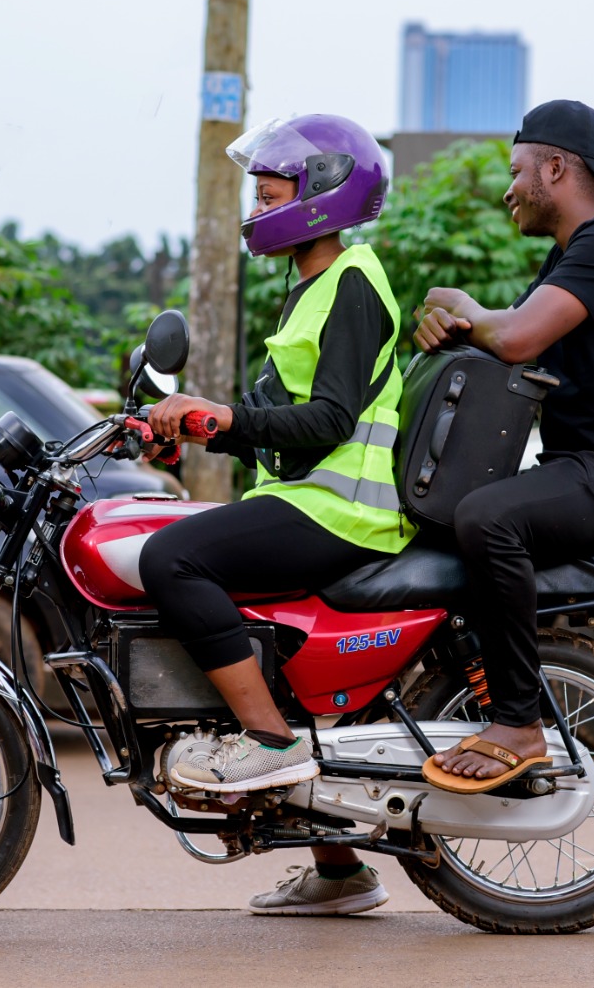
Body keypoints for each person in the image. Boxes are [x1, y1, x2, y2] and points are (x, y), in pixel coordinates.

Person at [139, 113, 408, 915]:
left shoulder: (353, 281)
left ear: (323, 194)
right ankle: (340, 869)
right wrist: (189, 431)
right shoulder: (312, 288)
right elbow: (271, 426)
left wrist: (220, 418)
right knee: (258, 648)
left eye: (270, 192)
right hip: (308, 498)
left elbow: (329, 420)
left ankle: (270, 741)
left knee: (169, 561)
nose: (257, 209)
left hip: (345, 513)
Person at [413, 99, 594, 794]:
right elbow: (507, 338)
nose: (509, 190)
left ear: (557, 168)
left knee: (488, 517)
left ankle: (518, 721)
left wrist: (462, 307)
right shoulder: (574, 253)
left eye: (516, 172)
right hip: (582, 467)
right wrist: (452, 325)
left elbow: (514, 337)